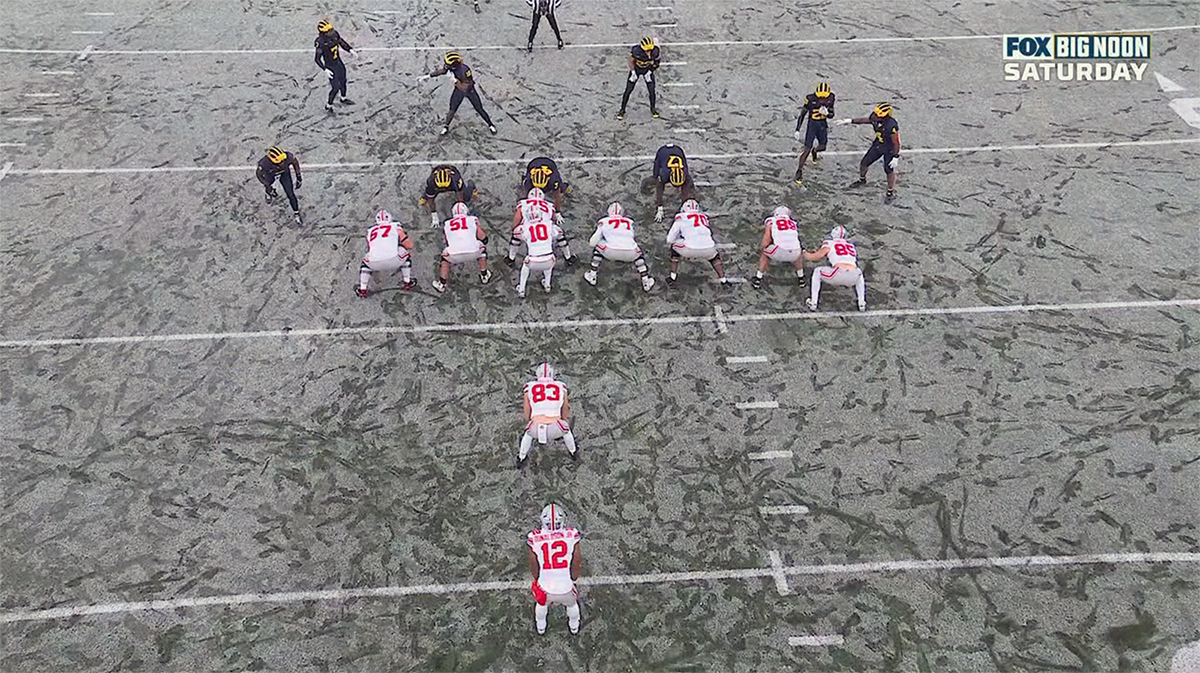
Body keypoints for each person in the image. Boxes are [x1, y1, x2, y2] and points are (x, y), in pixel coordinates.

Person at [527, 503, 583, 635]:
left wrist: (537, 578)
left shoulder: (534, 538)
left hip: (545, 590)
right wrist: (573, 577)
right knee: (572, 604)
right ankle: (574, 625)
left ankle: (541, 626)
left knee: (541, 604)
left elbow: (533, 562)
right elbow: (577, 559)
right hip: (566, 589)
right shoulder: (571, 535)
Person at [509, 188, 574, 297]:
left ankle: (512, 260)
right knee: (560, 237)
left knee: (515, 238)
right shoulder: (549, 206)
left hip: (531, 260)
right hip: (550, 258)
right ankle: (567, 258)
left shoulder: (523, 208)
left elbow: (517, 221)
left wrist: (517, 231)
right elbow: (556, 226)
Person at [583, 202, 655, 292]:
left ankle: (592, 275)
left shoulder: (604, 221)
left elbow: (593, 242)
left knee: (598, 245)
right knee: (638, 252)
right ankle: (645, 281)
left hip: (610, 251)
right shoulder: (629, 222)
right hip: (631, 253)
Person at [838, 102, 900, 204]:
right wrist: (851, 121)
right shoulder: (875, 118)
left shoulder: (891, 126)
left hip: (889, 149)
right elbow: (865, 120)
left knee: (888, 170)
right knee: (864, 163)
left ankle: (890, 192)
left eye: (878, 116)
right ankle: (862, 180)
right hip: (878, 144)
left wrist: (895, 156)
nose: (875, 117)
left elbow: (896, 143)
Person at [519, 363, 578, 466]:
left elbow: (526, 408)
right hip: (556, 428)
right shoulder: (561, 386)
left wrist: (528, 421)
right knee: (567, 432)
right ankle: (573, 452)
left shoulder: (529, 387)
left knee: (527, 435)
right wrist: (564, 421)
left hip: (535, 429)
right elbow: (565, 408)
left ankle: (521, 457)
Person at [428, 51, 497, 136]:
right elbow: (443, 71)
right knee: (452, 110)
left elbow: (465, 87)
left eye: (448, 64)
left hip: (470, 91)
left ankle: (490, 124)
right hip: (458, 91)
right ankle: (446, 127)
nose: (446, 66)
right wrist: (430, 75)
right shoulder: (450, 66)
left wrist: (455, 81)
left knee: (479, 109)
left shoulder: (465, 70)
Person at [433, 202, 493, 292]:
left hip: (454, 254)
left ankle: (442, 284)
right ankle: (484, 275)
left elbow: (447, 241)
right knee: (482, 249)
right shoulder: (472, 219)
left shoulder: (447, 223)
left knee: (444, 259)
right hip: (474, 252)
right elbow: (483, 237)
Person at [665, 199, 729, 284]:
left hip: (689, 248)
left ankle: (673, 277)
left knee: (674, 247)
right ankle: (723, 280)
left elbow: (670, 239)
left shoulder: (681, 217)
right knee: (715, 258)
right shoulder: (704, 217)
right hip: (709, 248)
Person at [804, 225, 866, 311]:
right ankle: (862, 302)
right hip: (853, 276)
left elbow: (816, 257)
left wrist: (805, 254)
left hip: (838, 273)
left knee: (817, 271)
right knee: (859, 273)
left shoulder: (829, 243)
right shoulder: (851, 246)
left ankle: (813, 302)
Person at [356, 210, 415, 297]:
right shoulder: (395, 226)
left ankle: (362, 289)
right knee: (404, 253)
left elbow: (371, 247)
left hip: (374, 263)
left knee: (365, 262)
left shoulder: (370, 231)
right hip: (394, 260)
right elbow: (409, 245)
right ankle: (407, 282)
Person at [752, 206, 806, 289]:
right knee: (797, 250)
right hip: (795, 253)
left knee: (765, 252)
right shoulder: (793, 223)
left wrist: (761, 248)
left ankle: (758, 279)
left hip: (780, 252)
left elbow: (766, 239)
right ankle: (801, 278)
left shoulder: (771, 221)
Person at [793, 81, 834, 185]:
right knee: (807, 149)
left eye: (824, 98)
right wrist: (797, 129)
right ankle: (799, 171)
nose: (822, 100)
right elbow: (802, 114)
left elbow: (832, 113)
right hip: (812, 125)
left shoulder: (831, 98)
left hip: (822, 124)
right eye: (820, 98)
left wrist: (828, 113)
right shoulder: (810, 99)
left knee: (823, 146)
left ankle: (815, 151)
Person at [419, 164, 477, 228]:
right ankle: (425, 195)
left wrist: (461, 214)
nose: (444, 190)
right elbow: (431, 200)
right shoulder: (431, 181)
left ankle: (471, 185)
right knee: (429, 195)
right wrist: (434, 217)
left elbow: (460, 199)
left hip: (451, 184)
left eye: (445, 187)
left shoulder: (456, 180)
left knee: (466, 197)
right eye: (442, 188)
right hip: (438, 186)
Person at [617, 36, 661, 120]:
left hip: (647, 69)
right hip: (637, 69)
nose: (648, 52)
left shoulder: (655, 51)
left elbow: (657, 62)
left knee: (652, 90)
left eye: (649, 50)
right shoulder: (636, 51)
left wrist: (651, 71)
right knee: (628, 90)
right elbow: (630, 61)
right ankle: (622, 110)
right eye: (646, 50)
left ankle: (653, 109)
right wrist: (633, 72)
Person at [315, 20, 355, 112]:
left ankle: (343, 98)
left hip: (338, 62)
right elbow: (317, 59)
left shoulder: (334, 34)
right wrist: (325, 69)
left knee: (343, 81)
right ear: (323, 33)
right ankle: (328, 105)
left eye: (331, 29)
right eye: (328, 31)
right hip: (330, 65)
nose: (331, 32)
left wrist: (349, 49)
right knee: (335, 87)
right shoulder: (321, 42)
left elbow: (341, 42)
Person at [256, 146, 303, 224]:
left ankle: (296, 212)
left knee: (290, 194)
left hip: (284, 173)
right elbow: (259, 175)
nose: (283, 162)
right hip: (271, 174)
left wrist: (298, 176)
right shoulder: (264, 164)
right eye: (280, 161)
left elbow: (295, 163)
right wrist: (267, 185)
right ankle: (268, 192)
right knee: (269, 183)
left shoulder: (288, 157)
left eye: (283, 160)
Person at [652, 144, 694, 224]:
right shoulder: (664, 174)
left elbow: (687, 188)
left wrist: (686, 204)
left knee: (689, 186)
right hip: (663, 152)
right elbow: (659, 189)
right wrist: (659, 207)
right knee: (655, 177)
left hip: (678, 151)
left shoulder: (685, 175)